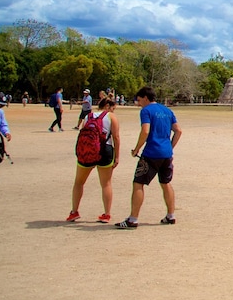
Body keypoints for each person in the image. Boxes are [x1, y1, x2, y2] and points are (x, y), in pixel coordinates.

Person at [115, 86, 182, 229]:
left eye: (139, 100)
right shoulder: (167, 110)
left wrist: (137, 149)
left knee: (138, 183)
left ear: (145, 97)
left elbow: (145, 131)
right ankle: (171, 215)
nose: (138, 103)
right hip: (166, 154)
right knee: (165, 183)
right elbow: (178, 131)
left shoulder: (146, 111)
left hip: (151, 153)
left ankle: (133, 218)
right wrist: (170, 147)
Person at [66, 98, 120, 223]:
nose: (113, 111)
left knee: (79, 182)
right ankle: (106, 214)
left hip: (87, 151)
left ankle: (74, 211)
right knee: (106, 184)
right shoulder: (111, 117)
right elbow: (116, 137)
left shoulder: (88, 116)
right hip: (105, 150)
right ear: (108, 106)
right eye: (113, 108)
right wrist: (117, 156)